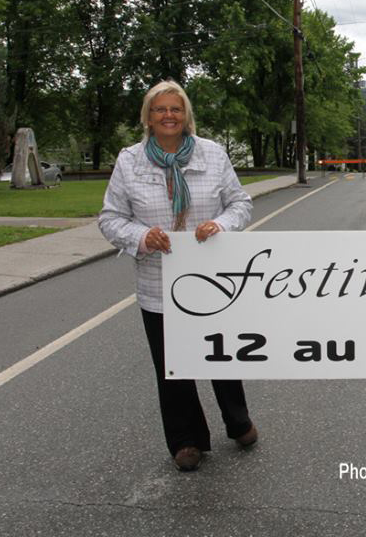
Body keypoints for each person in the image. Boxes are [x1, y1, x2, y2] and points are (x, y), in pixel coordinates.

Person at [98, 80, 257, 472]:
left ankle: (237, 421)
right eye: (159, 109)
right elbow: (111, 218)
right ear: (148, 118)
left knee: (221, 356)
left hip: (214, 282)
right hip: (158, 283)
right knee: (172, 367)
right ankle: (186, 440)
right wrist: (141, 236)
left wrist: (220, 225)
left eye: (175, 108)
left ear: (186, 115)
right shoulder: (130, 161)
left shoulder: (213, 154)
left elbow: (240, 203)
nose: (168, 115)